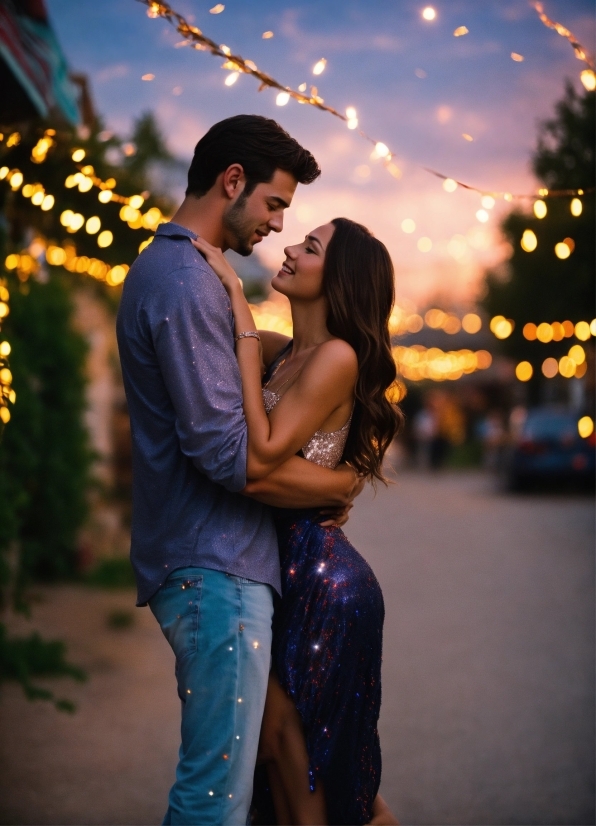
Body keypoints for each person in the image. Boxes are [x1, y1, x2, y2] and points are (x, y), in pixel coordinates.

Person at [116, 115, 364, 826]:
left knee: (256, 789)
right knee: (213, 803)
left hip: (216, 567)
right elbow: (233, 459)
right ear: (233, 182)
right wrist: (341, 485)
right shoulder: (187, 281)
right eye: (274, 203)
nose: (279, 225)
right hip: (214, 570)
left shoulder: (190, 276)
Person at [192, 217, 403, 825]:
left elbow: (258, 457)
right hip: (279, 566)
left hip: (323, 582)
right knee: (292, 760)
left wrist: (237, 300)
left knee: (308, 759)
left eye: (309, 247)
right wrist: (341, 480)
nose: (288, 248)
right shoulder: (287, 353)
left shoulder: (336, 355)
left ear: (338, 279)